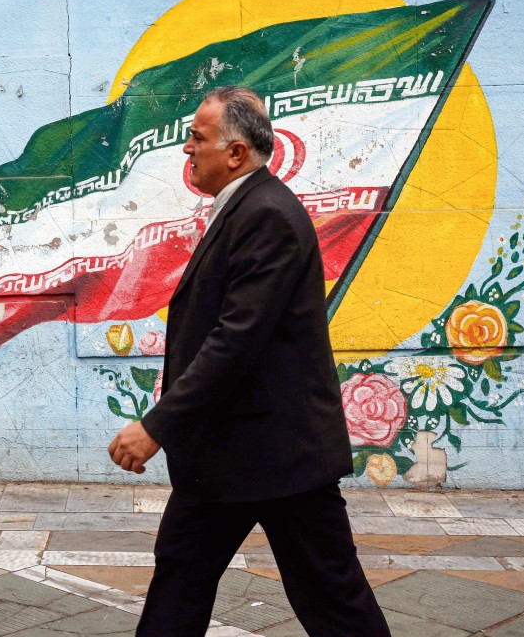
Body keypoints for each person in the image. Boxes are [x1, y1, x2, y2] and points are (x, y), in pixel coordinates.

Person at [108, 87, 391, 636]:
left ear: (235, 153)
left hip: (277, 454)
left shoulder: (267, 215)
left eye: (197, 138)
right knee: (182, 574)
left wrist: (156, 425)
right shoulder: (244, 207)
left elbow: (235, 340)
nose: (187, 150)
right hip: (231, 453)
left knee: (331, 595)